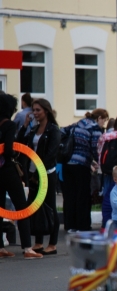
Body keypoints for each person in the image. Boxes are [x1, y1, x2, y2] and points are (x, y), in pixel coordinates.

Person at [17, 98, 61, 255]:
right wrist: (24, 125)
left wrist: (38, 173)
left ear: (46, 111)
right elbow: (19, 142)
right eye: (33, 110)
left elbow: (51, 154)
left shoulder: (53, 130)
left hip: (46, 173)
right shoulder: (34, 130)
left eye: (38, 110)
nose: (35, 113)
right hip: (32, 173)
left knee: (49, 207)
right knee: (36, 207)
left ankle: (53, 244)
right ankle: (38, 242)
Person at [0, 93, 41, 259]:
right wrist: (13, 153)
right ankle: (27, 248)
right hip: (8, 170)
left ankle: (1, 248)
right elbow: (9, 149)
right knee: (22, 208)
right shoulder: (8, 125)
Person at [62, 109, 107, 232]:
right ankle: (82, 226)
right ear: (99, 118)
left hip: (67, 163)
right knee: (82, 196)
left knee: (70, 196)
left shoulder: (77, 124)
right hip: (81, 165)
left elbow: (61, 131)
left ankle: (70, 225)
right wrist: (99, 163)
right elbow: (95, 148)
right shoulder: (94, 128)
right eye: (104, 120)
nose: (104, 123)